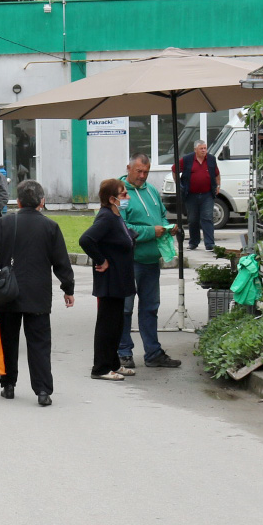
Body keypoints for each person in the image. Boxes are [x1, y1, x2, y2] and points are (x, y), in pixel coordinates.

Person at [0, 179, 75, 406]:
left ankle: (8, 384)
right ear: (42, 202)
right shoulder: (50, 227)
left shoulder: (4, 223)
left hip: (7, 293)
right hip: (38, 293)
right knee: (39, 342)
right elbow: (61, 262)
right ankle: (43, 390)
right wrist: (67, 289)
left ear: (18, 201)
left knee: (9, 339)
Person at [120, 153, 182, 369]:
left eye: (146, 172)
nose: (143, 176)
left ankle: (153, 353)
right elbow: (121, 228)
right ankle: (123, 352)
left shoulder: (152, 191)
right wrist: (150, 231)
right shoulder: (121, 193)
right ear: (129, 168)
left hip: (150, 261)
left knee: (150, 308)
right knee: (125, 309)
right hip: (129, 261)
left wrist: (167, 227)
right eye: (139, 171)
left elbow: (162, 217)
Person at [79, 178, 137, 383]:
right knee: (107, 324)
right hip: (110, 281)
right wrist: (101, 260)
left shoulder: (116, 215)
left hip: (119, 280)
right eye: (123, 194)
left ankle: (113, 363)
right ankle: (100, 367)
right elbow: (86, 239)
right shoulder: (105, 217)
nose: (127, 197)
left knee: (116, 324)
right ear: (112, 198)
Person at [174, 139, 220, 251]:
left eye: (205, 148)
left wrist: (218, 186)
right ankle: (193, 242)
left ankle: (210, 244)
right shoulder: (187, 159)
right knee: (193, 219)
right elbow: (174, 169)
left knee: (207, 218)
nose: (204, 150)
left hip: (207, 195)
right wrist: (178, 184)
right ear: (195, 150)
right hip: (191, 195)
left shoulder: (211, 159)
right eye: (201, 148)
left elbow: (217, 174)